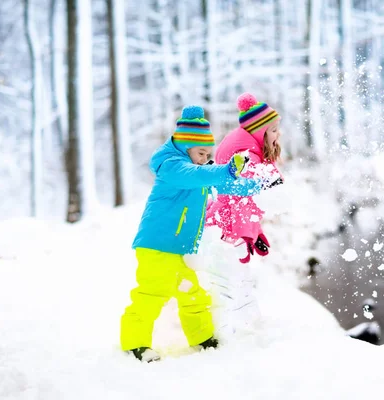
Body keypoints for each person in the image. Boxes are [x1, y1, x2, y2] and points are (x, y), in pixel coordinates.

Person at [120, 105, 259, 362]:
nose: (205, 159)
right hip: (157, 245)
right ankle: (134, 343)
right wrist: (226, 168)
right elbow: (196, 175)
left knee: (193, 295)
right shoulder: (172, 166)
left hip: (180, 249)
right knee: (151, 294)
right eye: (201, 153)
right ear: (186, 147)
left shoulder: (198, 170)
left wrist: (256, 185)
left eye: (209, 154)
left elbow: (223, 182)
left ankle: (202, 338)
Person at [206, 93, 284, 263]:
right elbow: (240, 198)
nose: (279, 134)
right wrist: (245, 235)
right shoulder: (246, 156)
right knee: (224, 275)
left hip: (223, 219)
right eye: (273, 130)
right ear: (260, 133)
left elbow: (247, 199)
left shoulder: (248, 149)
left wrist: (256, 231)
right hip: (224, 227)